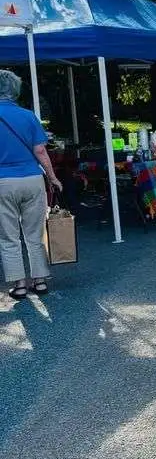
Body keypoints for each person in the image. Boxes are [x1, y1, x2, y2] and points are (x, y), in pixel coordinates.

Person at [0, 70, 62, 300]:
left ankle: (19, 284)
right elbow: (40, 151)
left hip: (3, 182)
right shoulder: (28, 116)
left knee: (8, 236)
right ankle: (40, 280)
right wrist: (53, 178)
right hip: (32, 179)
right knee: (34, 233)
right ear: (15, 90)